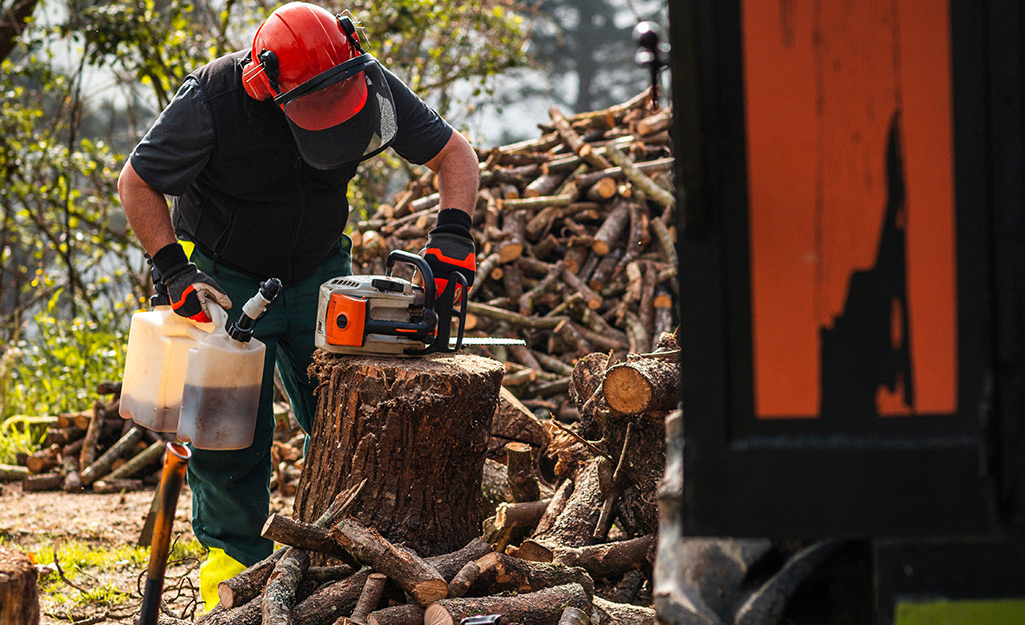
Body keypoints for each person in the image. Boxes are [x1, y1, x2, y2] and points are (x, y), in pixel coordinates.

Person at [117, 2, 478, 610]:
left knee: (347, 418)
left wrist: (453, 235)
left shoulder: (366, 80)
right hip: (225, 276)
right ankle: (235, 575)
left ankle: (338, 557)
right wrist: (172, 267)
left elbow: (455, 154)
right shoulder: (214, 98)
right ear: (267, 84)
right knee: (228, 436)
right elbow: (137, 181)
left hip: (320, 269)